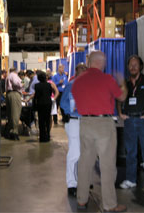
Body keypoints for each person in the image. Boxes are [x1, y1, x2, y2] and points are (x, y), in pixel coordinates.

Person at [72, 51, 127, 212]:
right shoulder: (107, 79)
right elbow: (122, 96)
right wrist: (122, 82)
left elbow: (77, 99)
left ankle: (81, 200)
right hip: (104, 124)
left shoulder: (77, 81)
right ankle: (109, 204)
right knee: (107, 165)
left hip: (85, 123)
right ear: (102, 63)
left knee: (85, 163)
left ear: (89, 63)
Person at [117, 55, 144, 192]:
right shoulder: (125, 84)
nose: (133, 67)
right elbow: (119, 99)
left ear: (141, 66)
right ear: (128, 67)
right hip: (129, 121)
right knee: (131, 152)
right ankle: (131, 179)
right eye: (131, 65)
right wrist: (120, 113)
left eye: (135, 64)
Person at [60, 63, 87, 197]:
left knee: (82, 153)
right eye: (80, 69)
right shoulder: (71, 85)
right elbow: (63, 102)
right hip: (74, 120)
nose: (83, 71)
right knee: (75, 153)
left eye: (85, 69)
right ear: (76, 71)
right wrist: (72, 110)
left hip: (85, 122)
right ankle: (71, 183)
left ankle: (78, 180)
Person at [33, 71, 58, 142]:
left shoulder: (37, 86)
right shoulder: (49, 85)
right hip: (48, 103)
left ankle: (42, 136)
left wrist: (34, 105)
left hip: (40, 104)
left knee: (41, 120)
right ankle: (48, 135)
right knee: (47, 119)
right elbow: (51, 93)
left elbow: (36, 96)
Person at [5, 67, 23, 140]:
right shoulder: (14, 75)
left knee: (10, 114)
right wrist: (22, 83)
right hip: (15, 94)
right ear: (16, 71)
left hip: (9, 94)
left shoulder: (8, 76)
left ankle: (9, 131)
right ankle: (14, 132)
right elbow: (17, 83)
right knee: (15, 113)